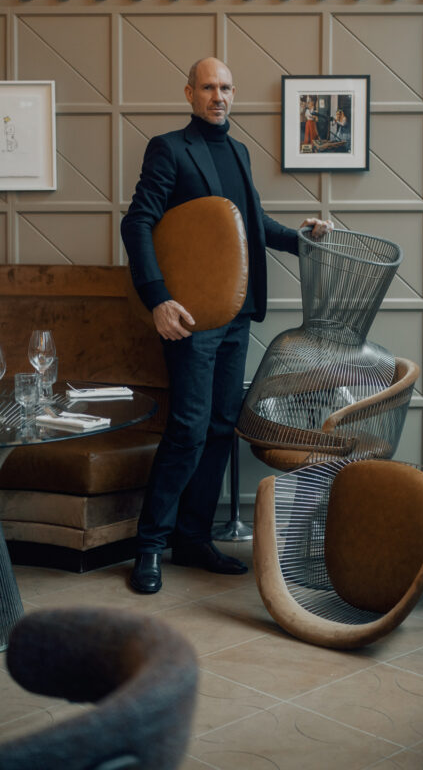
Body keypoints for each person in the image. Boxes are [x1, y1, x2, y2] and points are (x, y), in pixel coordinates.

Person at [121, 57, 333, 594]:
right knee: (189, 429)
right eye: (209, 87)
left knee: (219, 427)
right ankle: (150, 545)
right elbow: (138, 221)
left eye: (227, 88)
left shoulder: (237, 152)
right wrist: (158, 300)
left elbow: (253, 226)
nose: (219, 96)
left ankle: (192, 538)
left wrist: (302, 237)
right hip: (190, 316)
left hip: (236, 315)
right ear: (189, 93)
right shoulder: (169, 148)